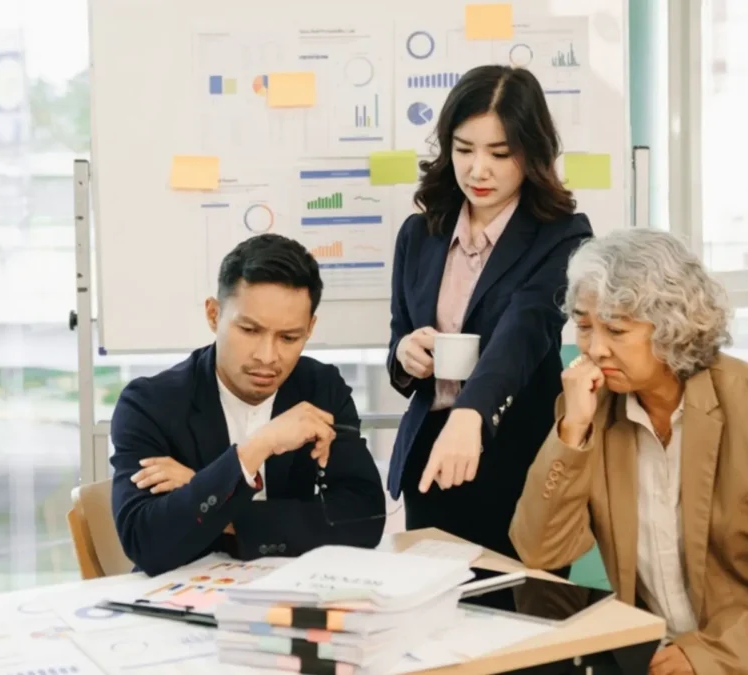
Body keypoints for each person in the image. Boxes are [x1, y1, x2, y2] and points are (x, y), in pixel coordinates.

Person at [510, 230, 748, 675]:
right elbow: (539, 552)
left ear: (673, 325)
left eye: (616, 328)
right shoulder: (590, 408)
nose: (594, 348)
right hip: (659, 658)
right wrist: (572, 429)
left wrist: (709, 656)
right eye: (583, 325)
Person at [387, 64, 591, 561]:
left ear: (533, 152)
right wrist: (405, 354)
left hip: (515, 464)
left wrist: (471, 414)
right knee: (434, 622)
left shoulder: (562, 236)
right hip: (434, 460)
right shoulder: (420, 234)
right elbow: (399, 332)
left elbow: (523, 333)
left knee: (520, 625)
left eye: (500, 153)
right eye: (463, 149)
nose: (479, 169)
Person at [111, 234, 386, 576]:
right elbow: (146, 541)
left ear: (310, 328)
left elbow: (362, 519)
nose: (267, 356)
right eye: (249, 330)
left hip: (293, 591)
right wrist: (257, 448)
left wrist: (205, 491)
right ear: (214, 315)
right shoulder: (149, 404)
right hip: (181, 601)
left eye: (289, 338)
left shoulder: (321, 389)